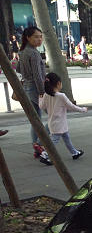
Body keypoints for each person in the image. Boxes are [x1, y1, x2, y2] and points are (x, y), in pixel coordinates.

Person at [17, 26, 51, 162]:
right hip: (36, 88)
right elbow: (37, 75)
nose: (39, 39)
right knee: (55, 116)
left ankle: (36, 149)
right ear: (28, 38)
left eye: (40, 36)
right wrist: (43, 92)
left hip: (27, 87)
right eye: (36, 36)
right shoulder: (34, 53)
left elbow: (18, 68)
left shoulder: (23, 52)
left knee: (35, 119)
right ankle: (39, 144)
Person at [38, 72, 87, 165]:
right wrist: (83, 109)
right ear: (58, 83)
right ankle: (45, 154)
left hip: (54, 123)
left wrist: (40, 98)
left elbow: (41, 106)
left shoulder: (46, 95)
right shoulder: (61, 96)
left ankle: (74, 152)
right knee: (54, 141)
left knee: (66, 138)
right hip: (59, 124)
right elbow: (71, 106)